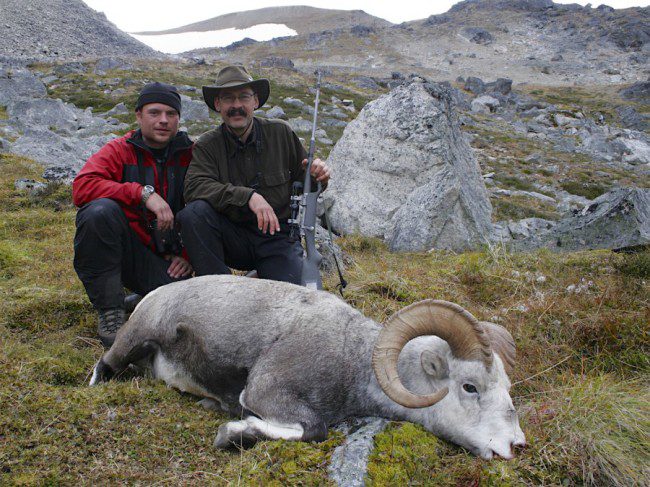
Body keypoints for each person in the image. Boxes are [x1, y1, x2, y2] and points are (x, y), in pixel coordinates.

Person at [178, 65, 330, 284]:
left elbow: (305, 180)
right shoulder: (207, 145)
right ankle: (218, 291)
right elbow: (194, 187)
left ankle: (264, 273)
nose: (237, 105)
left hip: (277, 238)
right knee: (193, 214)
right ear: (218, 104)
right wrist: (248, 197)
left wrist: (319, 176)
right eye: (228, 98)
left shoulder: (281, 133)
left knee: (292, 301)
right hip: (233, 238)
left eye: (244, 97)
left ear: (255, 102)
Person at [72, 82, 193, 347]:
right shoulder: (120, 149)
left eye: (171, 114)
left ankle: (141, 299)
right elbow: (82, 187)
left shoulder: (191, 154)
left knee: (179, 307)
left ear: (178, 119)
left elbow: (207, 209)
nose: (163, 120)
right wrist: (142, 193)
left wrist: (188, 256)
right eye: (154, 112)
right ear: (138, 115)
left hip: (171, 262)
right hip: (129, 249)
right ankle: (110, 311)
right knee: (98, 212)